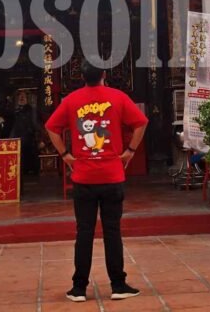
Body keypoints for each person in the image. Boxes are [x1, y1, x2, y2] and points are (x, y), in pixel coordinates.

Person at [46, 62, 147, 303]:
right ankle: (118, 284)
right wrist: (130, 150)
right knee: (112, 231)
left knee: (84, 232)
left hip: (83, 177)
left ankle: (79, 288)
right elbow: (141, 122)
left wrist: (65, 155)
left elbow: (51, 128)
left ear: (82, 77)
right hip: (112, 175)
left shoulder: (71, 100)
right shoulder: (117, 97)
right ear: (104, 75)